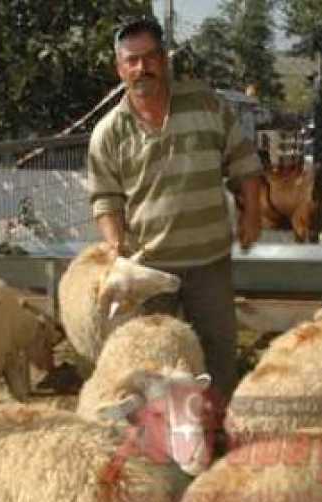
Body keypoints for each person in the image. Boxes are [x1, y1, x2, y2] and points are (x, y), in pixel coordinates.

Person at [86, 15, 264, 423]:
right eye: (131, 60)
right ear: (119, 68)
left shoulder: (207, 106)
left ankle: (216, 428)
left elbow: (244, 164)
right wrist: (116, 249)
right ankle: (163, 438)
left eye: (149, 58)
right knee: (154, 359)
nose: (141, 68)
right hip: (148, 268)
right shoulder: (109, 132)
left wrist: (251, 214)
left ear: (164, 60)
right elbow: (105, 198)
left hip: (208, 261)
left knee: (217, 349)